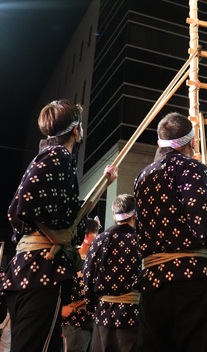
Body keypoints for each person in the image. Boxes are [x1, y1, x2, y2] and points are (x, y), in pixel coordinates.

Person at [0, 99, 117, 352]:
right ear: (76, 130)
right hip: (41, 270)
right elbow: (27, 203)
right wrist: (57, 235)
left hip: (24, 268)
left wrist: (103, 184)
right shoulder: (60, 156)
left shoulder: (44, 157)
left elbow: (65, 212)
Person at [133, 111, 207, 352]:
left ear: (159, 143)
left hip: (152, 282)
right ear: (192, 142)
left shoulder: (142, 176)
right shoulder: (192, 168)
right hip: (191, 281)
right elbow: (203, 220)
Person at [82, 194, 141, 352]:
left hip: (103, 312)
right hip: (132, 314)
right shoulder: (141, 239)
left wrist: (91, 305)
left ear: (115, 217)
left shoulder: (100, 239)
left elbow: (88, 274)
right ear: (135, 215)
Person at [61, 216, 101, 352]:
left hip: (93, 318)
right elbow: (63, 285)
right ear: (86, 235)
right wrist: (63, 307)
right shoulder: (71, 256)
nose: (97, 236)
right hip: (74, 317)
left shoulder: (97, 258)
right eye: (94, 232)